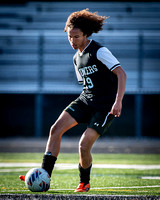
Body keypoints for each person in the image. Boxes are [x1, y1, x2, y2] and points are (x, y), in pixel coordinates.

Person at [20, 9, 126, 192]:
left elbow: (121, 74)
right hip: (86, 100)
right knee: (55, 130)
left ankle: (84, 182)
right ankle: (43, 176)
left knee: (83, 146)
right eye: (70, 37)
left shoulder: (99, 51)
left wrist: (118, 102)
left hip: (104, 107)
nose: (72, 41)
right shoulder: (76, 58)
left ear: (85, 34)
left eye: (76, 37)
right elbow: (86, 85)